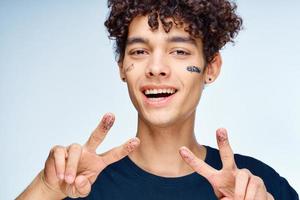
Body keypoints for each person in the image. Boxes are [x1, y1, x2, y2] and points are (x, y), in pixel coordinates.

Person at [17, 0, 298, 199]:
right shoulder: (77, 184)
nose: (156, 67)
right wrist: (46, 187)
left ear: (210, 68)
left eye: (179, 51)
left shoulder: (259, 187)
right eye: (139, 52)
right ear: (121, 67)